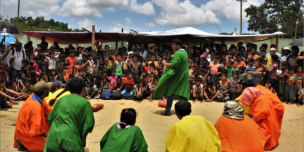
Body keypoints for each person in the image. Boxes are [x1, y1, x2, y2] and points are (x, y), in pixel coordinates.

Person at [44, 78, 95, 152]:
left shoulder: (61, 100)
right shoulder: (85, 103)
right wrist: (79, 139)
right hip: (70, 141)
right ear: (82, 89)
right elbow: (89, 125)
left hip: (52, 140)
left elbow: (50, 118)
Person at [153, 39, 190, 116]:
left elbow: (175, 64)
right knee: (181, 91)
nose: (172, 46)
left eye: (174, 45)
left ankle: (167, 110)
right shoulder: (184, 52)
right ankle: (186, 110)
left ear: (178, 45)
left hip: (178, 75)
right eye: (172, 45)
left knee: (170, 91)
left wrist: (165, 63)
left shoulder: (178, 53)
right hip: (183, 74)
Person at [13, 81, 53, 151]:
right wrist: (49, 136)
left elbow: (49, 111)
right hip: (26, 135)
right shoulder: (36, 107)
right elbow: (36, 131)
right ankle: (24, 143)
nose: (49, 90)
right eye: (48, 89)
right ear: (44, 91)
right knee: (53, 146)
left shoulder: (33, 97)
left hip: (21, 130)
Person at [240, 86, 281, 150]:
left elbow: (258, 117)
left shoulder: (261, 100)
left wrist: (247, 120)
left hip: (266, 128)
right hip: (269, 125)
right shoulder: (262, 97)